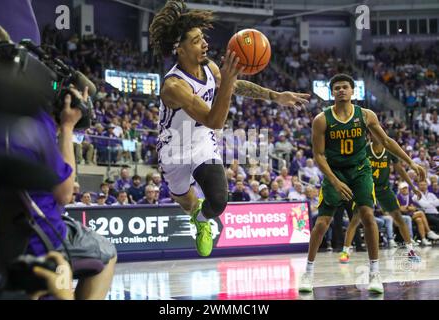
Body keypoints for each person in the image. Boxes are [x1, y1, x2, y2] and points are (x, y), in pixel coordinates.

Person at [149, 0, 309, 257]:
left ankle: (202, 221)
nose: (205, 44)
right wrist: (228, 81)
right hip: (174, 148)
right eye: (196, 41)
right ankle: (194, 213)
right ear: (179, 49)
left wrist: (274, 96)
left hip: (201, 141)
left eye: (203, 38)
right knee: (188, 203)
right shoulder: (173, 86)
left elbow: (234, 88)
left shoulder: (210, 67)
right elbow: (215, 120)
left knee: (219, 201)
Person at [0, 22, 117, 300]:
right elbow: (64, 193)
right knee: (106, 252)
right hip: (38, 238)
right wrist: (67, 127)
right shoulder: (32, 119)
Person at [299, 73, 425, 294]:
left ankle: (374, 273)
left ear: (352, 91)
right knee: (321, 225)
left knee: (367, 215)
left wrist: (411, 163)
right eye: (336, 87)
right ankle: (308, 273)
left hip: (360, 171)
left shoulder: (366, 115)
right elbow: (318, 155)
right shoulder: (321, 119)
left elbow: (386, 141)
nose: (341, 90)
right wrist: (335, 182)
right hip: (335, 172)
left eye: (344, 87)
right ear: (332, 92)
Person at [339, 136, 422, 264]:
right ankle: (345, 251)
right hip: (366, 187)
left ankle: (411, 251)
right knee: (356, 218)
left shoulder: (389, 149)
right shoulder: (365, 150)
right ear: (370, 136)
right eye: (373, 133)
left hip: (383, 188)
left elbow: (399, 169)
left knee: (399, 218)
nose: (376, 135)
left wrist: (412, 187)